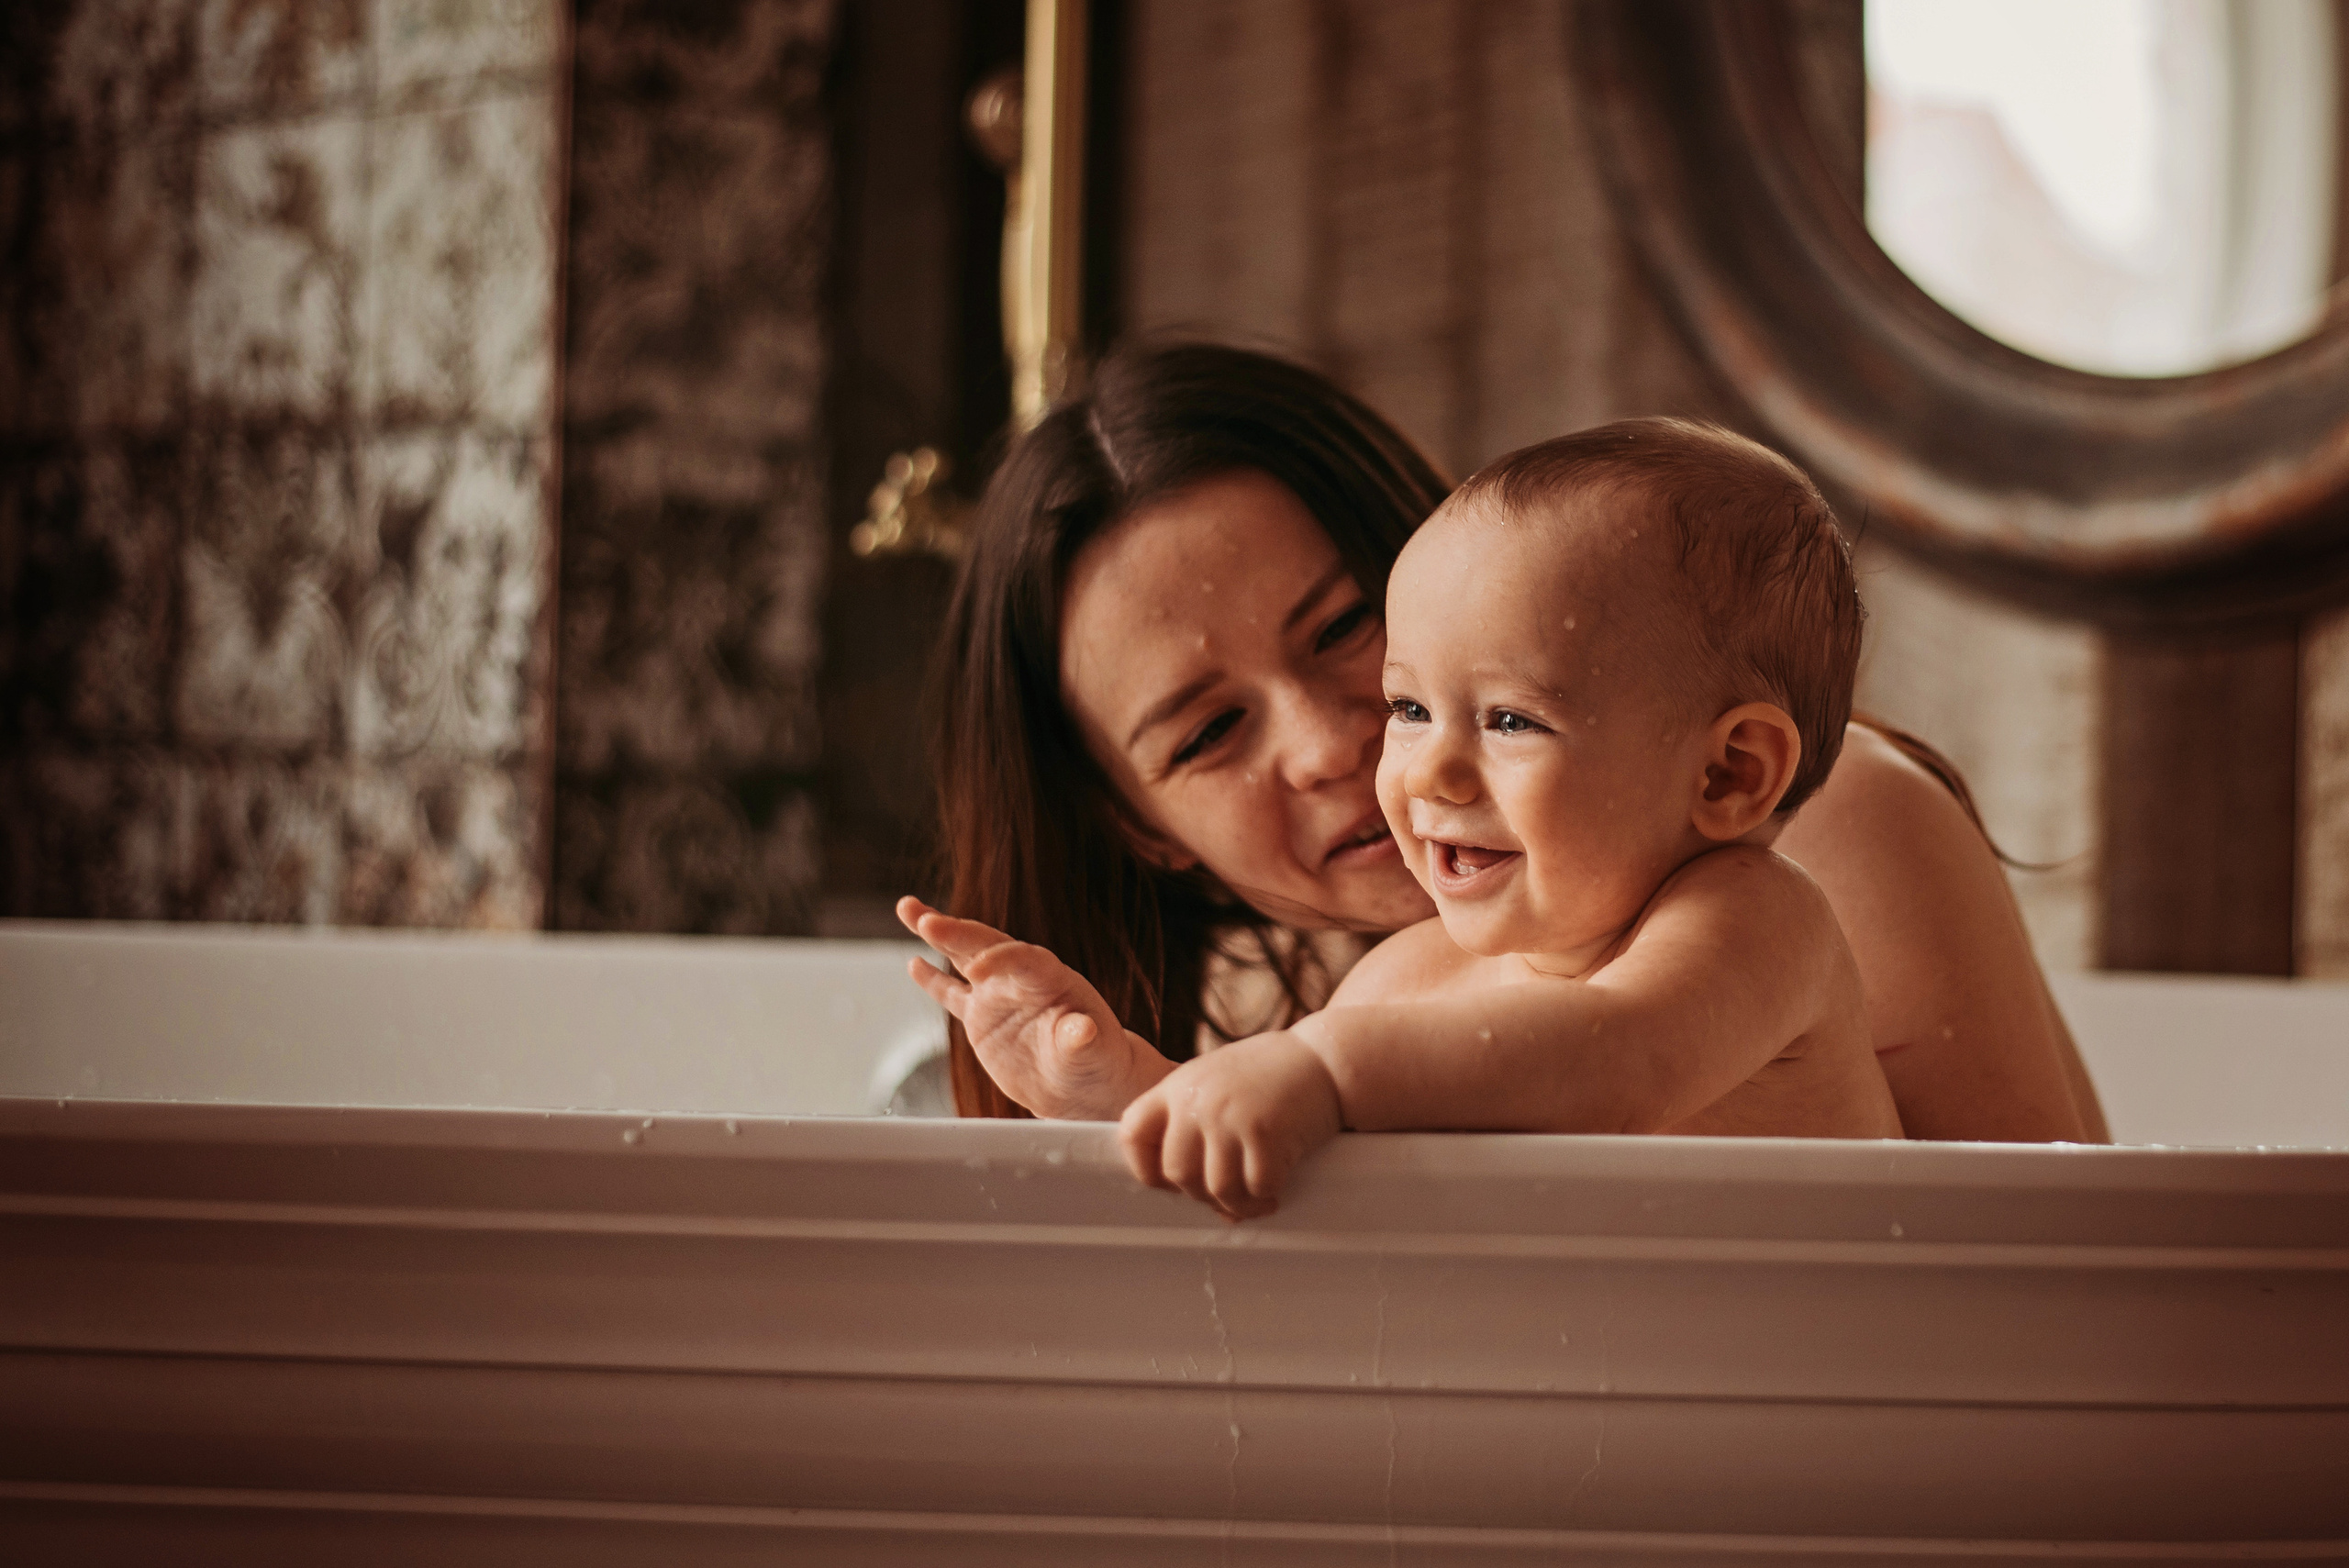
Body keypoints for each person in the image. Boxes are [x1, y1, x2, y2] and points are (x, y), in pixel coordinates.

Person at [898, 341, 2108, 1146]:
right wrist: (1123, 1096)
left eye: (1345, 630)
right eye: (1213, 730)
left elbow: (2058, 1310)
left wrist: (1321, 1080)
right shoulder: (1381, 978)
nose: (1345, 739)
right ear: (1136, 827)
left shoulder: (1810, 845)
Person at [1113, 419, 1902, 1218]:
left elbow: (1613, 1059)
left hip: (1812, 1343)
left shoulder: (1760, 922)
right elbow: (1290, 1180)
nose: (1427, 770)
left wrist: (1320, 1069)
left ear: (1729, 772)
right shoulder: (1403, 983)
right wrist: (1130, 1100)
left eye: (1511, 721)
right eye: (1410, 707)